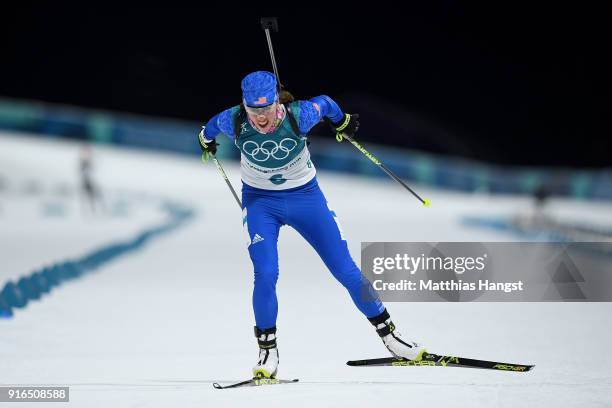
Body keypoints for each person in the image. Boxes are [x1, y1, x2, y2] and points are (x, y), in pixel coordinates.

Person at [198, 71, 425, 379]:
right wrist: (205, 141)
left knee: (345, 269)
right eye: (254, 111)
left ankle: (392, 338)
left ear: (277, 102)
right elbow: (209, 128)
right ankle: (268, 353)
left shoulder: (300, 115)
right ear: (244, 106)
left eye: (266, 110)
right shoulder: (233, 119)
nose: (260, 119)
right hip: (261, 203)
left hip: (306, 199)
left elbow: (328, 104)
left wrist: (342, 121)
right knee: (265, 273)